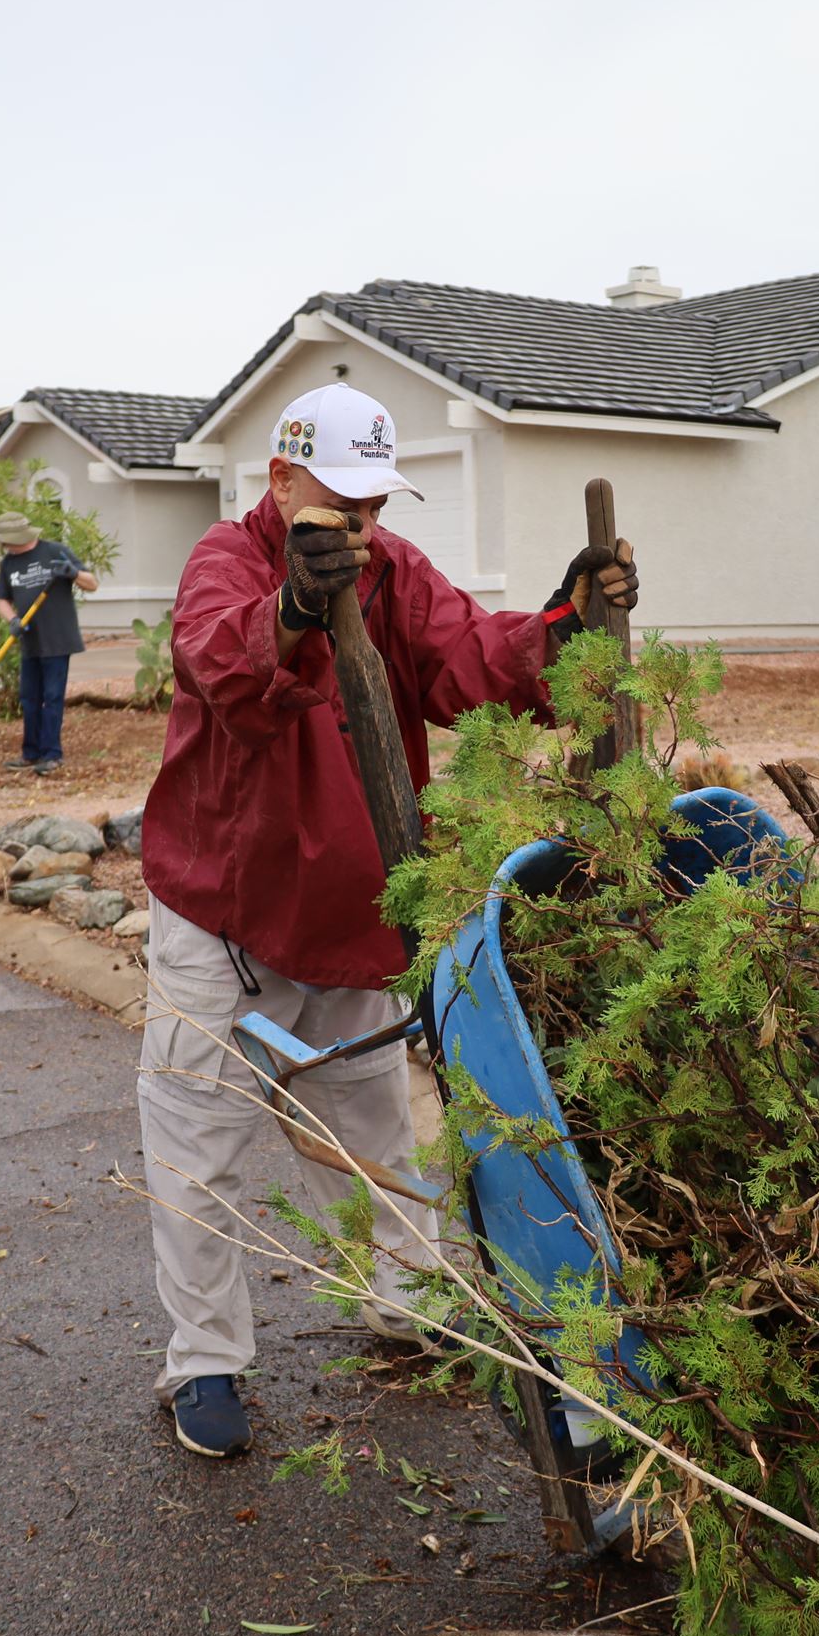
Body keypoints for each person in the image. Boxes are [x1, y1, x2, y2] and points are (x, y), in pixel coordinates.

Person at [136, 383, 636, 1458]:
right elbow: (223, 661)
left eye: (372, 502)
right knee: (197, 1146)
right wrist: (291, 614)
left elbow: (469, 661)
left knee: (370, 1135)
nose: (359, 524)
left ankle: (406, 1299)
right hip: (221, 916)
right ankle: (205, 1361)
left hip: (350, 920)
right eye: (338, 499)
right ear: (280, 479)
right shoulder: (226, 562)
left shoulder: (392, 572)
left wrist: (562, 622)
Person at [0, 513, 99, 775]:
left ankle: (52, 755)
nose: (4, 546)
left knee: (52, 698)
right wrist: (12, 620)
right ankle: (30, 754)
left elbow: (92, 584)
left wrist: (72, 573)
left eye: (6, 541)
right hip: (30, 640)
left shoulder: (55, 551)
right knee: (29, 699)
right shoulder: (8, 563)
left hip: (58, 639)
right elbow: (2, 599)